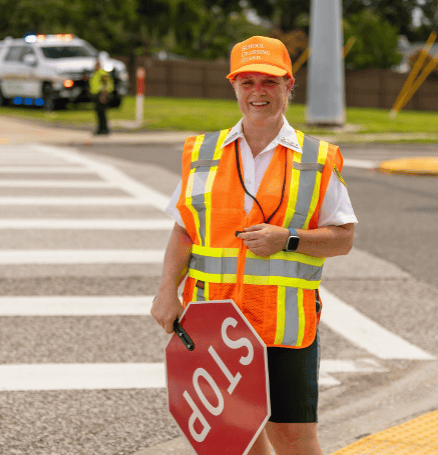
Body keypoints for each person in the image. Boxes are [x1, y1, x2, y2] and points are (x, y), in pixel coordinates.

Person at [151, 36, 358, 455]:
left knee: (292, 437)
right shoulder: (204, 153)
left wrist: (289, 239)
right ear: (234, 87)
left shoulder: (316, 159)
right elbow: (184, 230)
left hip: (284, 326)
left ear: (288, 86)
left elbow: (344, 238)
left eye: (269, 81)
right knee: (233, 438)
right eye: (247, 82)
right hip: (215, 324)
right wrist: (166, 291)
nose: (258, 92)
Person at [89, 58, 113, 135]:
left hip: (101, 95)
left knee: (102, 113)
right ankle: (100, 129)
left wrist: (104, 95)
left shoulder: (102, 73)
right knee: (99, 113)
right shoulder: (96, 73)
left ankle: (104, 129)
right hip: (97, 95)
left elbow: (106, 84)